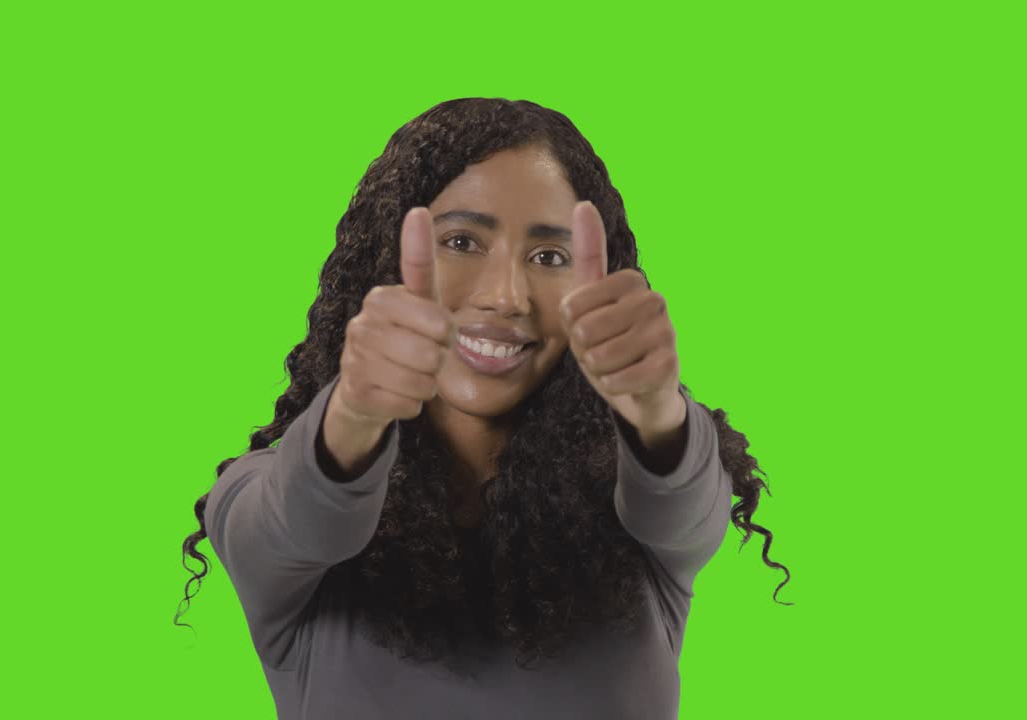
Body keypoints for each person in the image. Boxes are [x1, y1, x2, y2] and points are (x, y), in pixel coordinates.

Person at [176, 97, 790, 719]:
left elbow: (684, 503)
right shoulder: (261, 504)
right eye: (462, 242)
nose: (507, 296)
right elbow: (296, 517)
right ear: (384, 261)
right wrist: (355, 413)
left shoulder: (641, 513)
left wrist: (655, 409)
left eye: (549, 257)